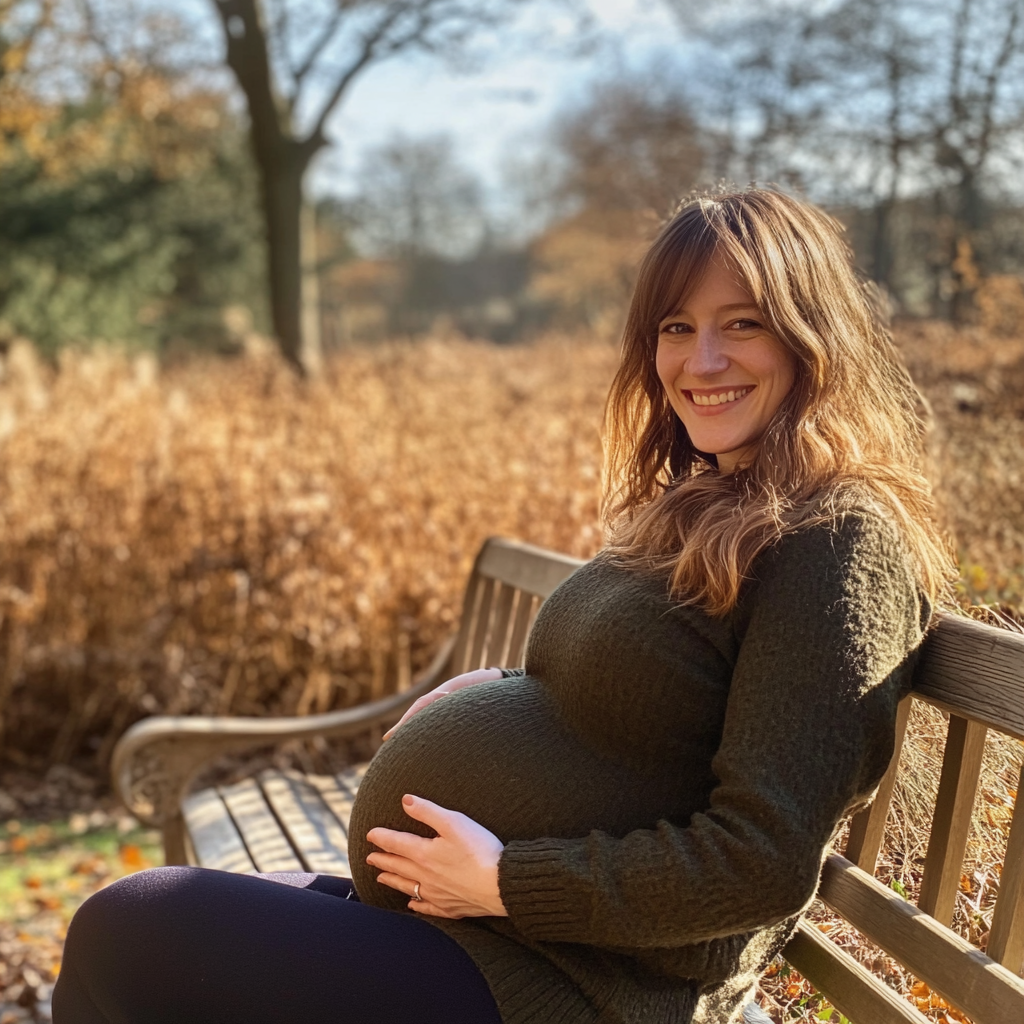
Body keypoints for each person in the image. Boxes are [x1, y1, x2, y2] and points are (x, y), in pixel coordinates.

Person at [52, 188, 953, 1024]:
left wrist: (508, 882)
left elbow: (759, 860)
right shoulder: (713, 498)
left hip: (576, 983)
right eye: (676, 327)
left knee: (129, 926)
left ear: (811, 336)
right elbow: (654, 705)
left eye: (742, 325)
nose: (700, 360)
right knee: (137, 942)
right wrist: (502, 688)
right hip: (495, 939)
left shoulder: (837, 538)